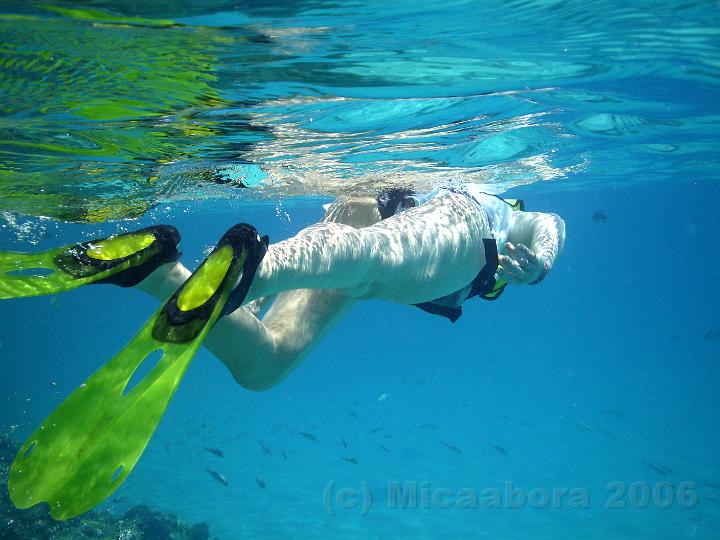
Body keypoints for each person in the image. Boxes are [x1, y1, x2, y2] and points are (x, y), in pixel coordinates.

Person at [133, 183, 566, 391]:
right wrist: (541, 265)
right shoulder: (502, 211)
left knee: (265, 368)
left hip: (367, 208)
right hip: (457, 222)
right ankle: (252, 275)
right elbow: (551, 223)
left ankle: (159, 271)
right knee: (374, 257)